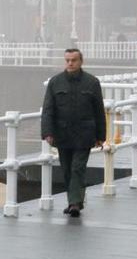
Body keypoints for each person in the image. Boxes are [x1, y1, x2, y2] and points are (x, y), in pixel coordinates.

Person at [41, 48, 106, 218]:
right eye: (67, 60)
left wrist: (101, 136)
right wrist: (47, 132)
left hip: (85, 134)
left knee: (78, 167)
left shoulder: (92, 82)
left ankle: (75, 204)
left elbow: (99, 110)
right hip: (63, 134)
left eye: (74, 60)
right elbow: (48, 110)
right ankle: (74, 201)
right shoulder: (55, 82)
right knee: (67, 170)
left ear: (81, 61)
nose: (70, 63)